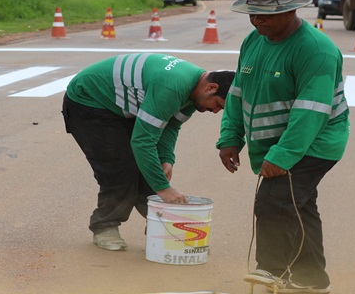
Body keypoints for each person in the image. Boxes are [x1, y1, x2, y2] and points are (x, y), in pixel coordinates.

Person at [218, 0, 349, 294]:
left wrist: (281, 156)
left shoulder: (316, 50)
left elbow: (311, 112)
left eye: (266, 14)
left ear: (290, 11)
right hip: (280, 142)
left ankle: (271, 269)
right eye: (253, 13)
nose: (257, 21)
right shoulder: (253, 41)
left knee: (275, 198)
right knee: (299, 205)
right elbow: (237, 92)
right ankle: (311, 277)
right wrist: (230, 137)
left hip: (315, 142)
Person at [62, 53, 235, 251]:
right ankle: (104, 227)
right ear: (211, 88)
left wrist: (166, 159)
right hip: (89, 101)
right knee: (120, 167)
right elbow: (142, 142)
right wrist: (164, 188)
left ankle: (162, 229)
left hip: (120, 106)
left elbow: (170, 125)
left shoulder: (193, 92)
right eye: (218, 105)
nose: (215, 111)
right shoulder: (173, 88)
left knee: (148, 167)